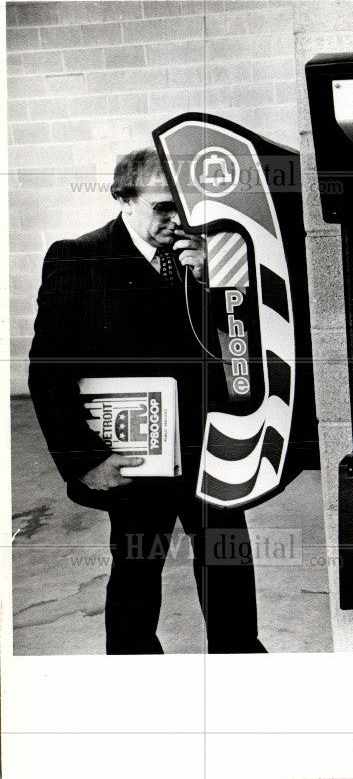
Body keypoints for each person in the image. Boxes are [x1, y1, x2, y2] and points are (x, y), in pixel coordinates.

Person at [28, 149, 267, 654]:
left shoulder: (209, 256)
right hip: (138, 453)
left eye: (185, 206)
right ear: (124, 199)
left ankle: (240, 662)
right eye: (163, 207)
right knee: (137, 569)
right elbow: (49, 371)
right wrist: (84, 460)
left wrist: (214, 281)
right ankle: (135, 676)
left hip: (211, 447)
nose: (177, 220)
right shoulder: (78, 257)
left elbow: (247, 343)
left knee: (228, 565)